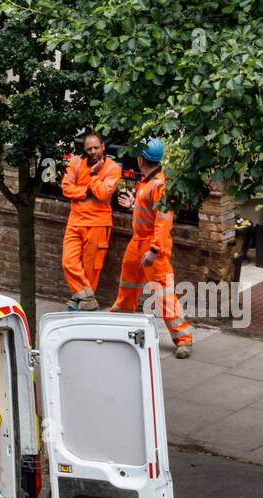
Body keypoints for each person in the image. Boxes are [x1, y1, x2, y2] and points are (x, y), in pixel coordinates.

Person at [111, 138, 193, 358]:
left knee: (163, 294)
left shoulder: (159, 185)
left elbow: (164, 221)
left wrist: (154, 250)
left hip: (150, 247)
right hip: (138, 242)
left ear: (141, 159)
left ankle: (183, 339)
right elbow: (149, 212)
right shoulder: (150, 182)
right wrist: (133, 206)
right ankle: (118, 325)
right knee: (127, 286)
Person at [60, 131, 121, 311]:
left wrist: (93, 175)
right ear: (84, 150)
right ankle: (87, 302)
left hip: (98, 224)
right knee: (68, 263)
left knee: (90, 271)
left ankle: (80, 305)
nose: (93, 151)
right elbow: (66, 188)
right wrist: (87, 192)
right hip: (75, 221)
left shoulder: (112, 168)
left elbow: (103, 194)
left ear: (103, 147)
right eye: (89, 149)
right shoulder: (76, 162)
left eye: (96, 147)